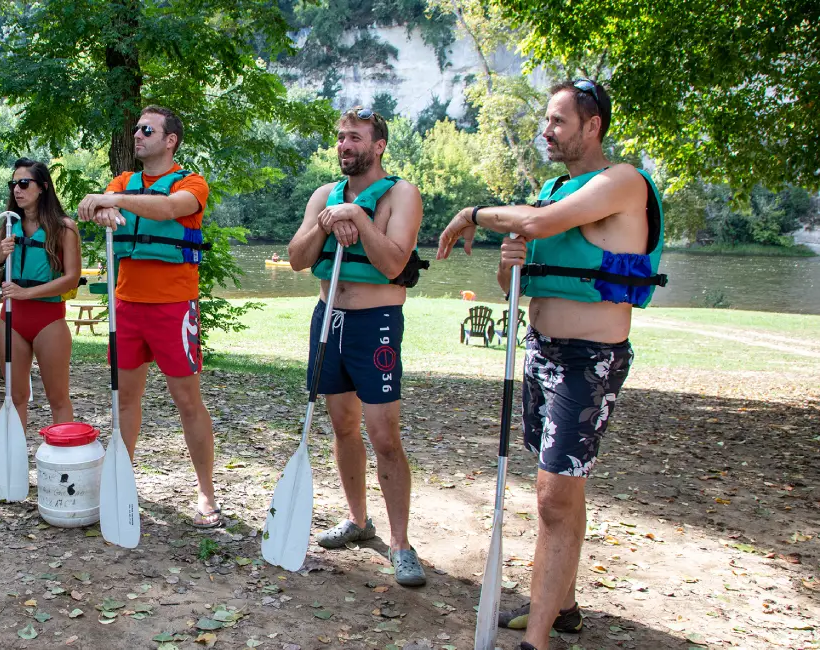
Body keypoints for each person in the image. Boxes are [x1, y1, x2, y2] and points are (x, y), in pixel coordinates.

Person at [435, 79, 668, 650]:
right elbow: (517, 279)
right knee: (563, 489)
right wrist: (509, 263)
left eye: (558, 121)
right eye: (546, 120)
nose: (547, 131)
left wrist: (472, 212)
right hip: (540, 351)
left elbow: (539, 225)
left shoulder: (623, 182)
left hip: (590, 361)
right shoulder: (550, 190)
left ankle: (536, 640)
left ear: (592, 126)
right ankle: (561, 607)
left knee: (553, 496)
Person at [285, 107, 430, 586]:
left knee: (384, 435)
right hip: (328, 316)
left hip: (376, 324)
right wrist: (329, 220)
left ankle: (401, 542)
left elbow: (392, 262)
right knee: (343, 427)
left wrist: (359, 219)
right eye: (341, 138)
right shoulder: (324, 195)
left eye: (355, 138)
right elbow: (297, 259)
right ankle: (359, 520)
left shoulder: (403, 194)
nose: (345, 145)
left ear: (379, 145)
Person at [77, 105, 222, 527]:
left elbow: (168, 209)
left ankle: (206, 493)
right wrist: (110, 204)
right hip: (127, 307)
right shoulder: (123, 181)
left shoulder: (192, 183)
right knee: (125, 399)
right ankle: (121, 480)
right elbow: (108, 212)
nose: (137, 135)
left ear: (170, 139)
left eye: (147, 129)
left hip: (174, 307)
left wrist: (114, 202)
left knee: (187, 401)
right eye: (136, 128)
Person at [0, 159, 81, 428]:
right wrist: (1, 259)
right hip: (11, 321)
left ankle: (63, 464)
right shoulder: (8, 226)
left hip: (48, 320)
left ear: (43, 188)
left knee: (58, 398)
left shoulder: (64, 228)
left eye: (24, 183)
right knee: (15, 397)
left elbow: (71, 278)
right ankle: (15, 466)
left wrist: (27, 293)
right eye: (13, 184)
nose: (17, 189)